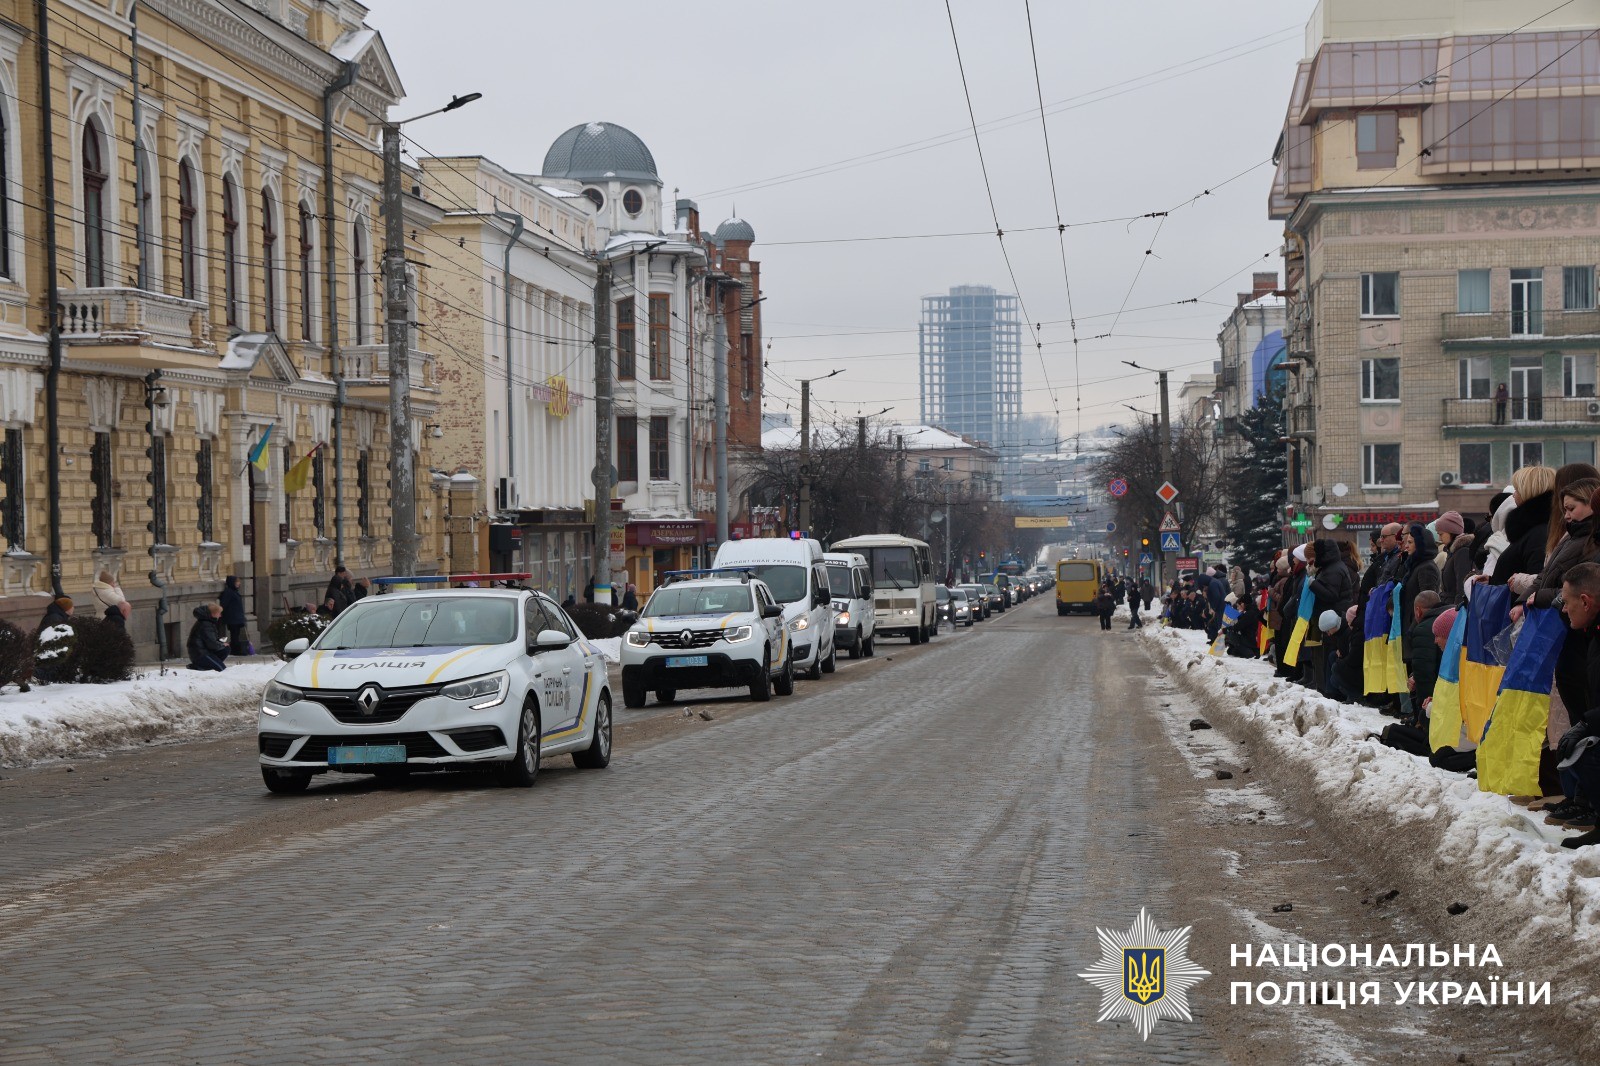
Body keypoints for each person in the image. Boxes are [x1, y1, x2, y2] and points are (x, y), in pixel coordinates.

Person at [1543, 562, 1600, 844]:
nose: (1563, 609)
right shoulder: (1594, 634)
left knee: (1587, 750)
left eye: (1566, 602)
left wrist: (1587, 724)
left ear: (1586, 602)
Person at [1435, 512, 1475, 607]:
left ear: (1452, 532)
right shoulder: (1453, 552)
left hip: (1453, 607)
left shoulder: (1462, 552)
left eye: (1441, 534)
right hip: (1448, 605)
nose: (1439, 538)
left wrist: (1457, 610)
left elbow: (1462, 587)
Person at [186, 603, 230, 672]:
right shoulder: (206, 624)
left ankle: (205, 666)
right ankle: (199, 666)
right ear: (213, 614)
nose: (220, 615)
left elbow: (211, 639)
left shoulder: (208, 622)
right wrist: (222, 644)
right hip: (200, 654)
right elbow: (211, 643)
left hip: (205, 651)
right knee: (222, 669)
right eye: (219, 613)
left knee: (225, 649)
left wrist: (221, 643)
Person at [219, 575, 249, 655]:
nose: (239, 583)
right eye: (237, 582)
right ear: (232, 583)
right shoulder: (229, 592)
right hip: (233, 618)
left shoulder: (234, 591)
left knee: (236, 634)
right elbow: (224, 604)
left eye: (238, 581)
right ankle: (235, 650)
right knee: (234, 635)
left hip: (237, 618)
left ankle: (235, 650)